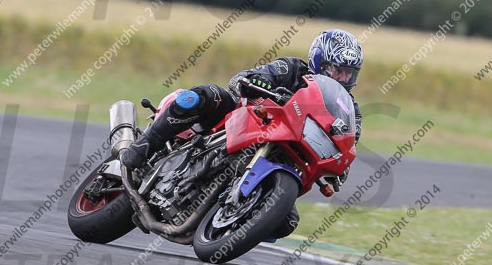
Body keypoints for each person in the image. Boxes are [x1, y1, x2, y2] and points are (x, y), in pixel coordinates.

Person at [121, 29, 364, 238]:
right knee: (204, 96)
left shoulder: (349, 109)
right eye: (337, 70)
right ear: (320, 60)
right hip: (244, 119)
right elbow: (251, 75)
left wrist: (338, 170)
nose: (343, 78)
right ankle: (145, 144)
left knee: (287, 222)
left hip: (287, 152)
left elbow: (347, 143)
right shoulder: (293, 69)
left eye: (349, 73)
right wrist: (254, 82)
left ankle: (225, 218)